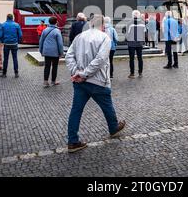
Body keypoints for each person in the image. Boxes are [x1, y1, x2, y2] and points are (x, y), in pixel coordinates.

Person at [65, 14, 125, 153]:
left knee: (76, 110)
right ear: (103, 25)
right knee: (107, 106)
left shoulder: (79, 37)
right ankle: (113, 128)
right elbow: (101, 59)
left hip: (80, 82)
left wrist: (77, 72)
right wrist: (83, 74)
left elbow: (69, 55)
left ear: (91, 23)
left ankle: (73, 141)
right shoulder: (105, 37)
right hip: (97, 81)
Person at [39, 17, 63, 87]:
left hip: (46, 51)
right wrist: (61, 53)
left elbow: (41, 41)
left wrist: (41, 50)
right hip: (55, 52)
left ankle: (45, 82)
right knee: (55, 66)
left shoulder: (45, 30)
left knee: (47, 66)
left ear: (49, 22)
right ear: (56, 22)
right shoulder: (57, 31)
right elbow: (60, 43)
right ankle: (53, 81)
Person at [0, 14, 23, 78]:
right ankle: (16, 73)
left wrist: (2, 41)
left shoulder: (3, 25)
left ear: (7, 18)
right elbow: (20, 35)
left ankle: (4, 73)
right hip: (14, 44)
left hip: (6, 44)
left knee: (5, 59)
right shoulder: (16, 25)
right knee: (15, 58)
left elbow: (0, 35)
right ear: (12, 18)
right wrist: (17, 41)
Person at [125, 10, 145, 78]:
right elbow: (144, 33)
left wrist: (127, 39)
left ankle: (132, 73)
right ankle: (140, 73)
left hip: (131, 43)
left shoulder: (129, 23)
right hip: (140, 43)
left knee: (131, 59)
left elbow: (127, 34)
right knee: (140, 58)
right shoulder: (143, 23)